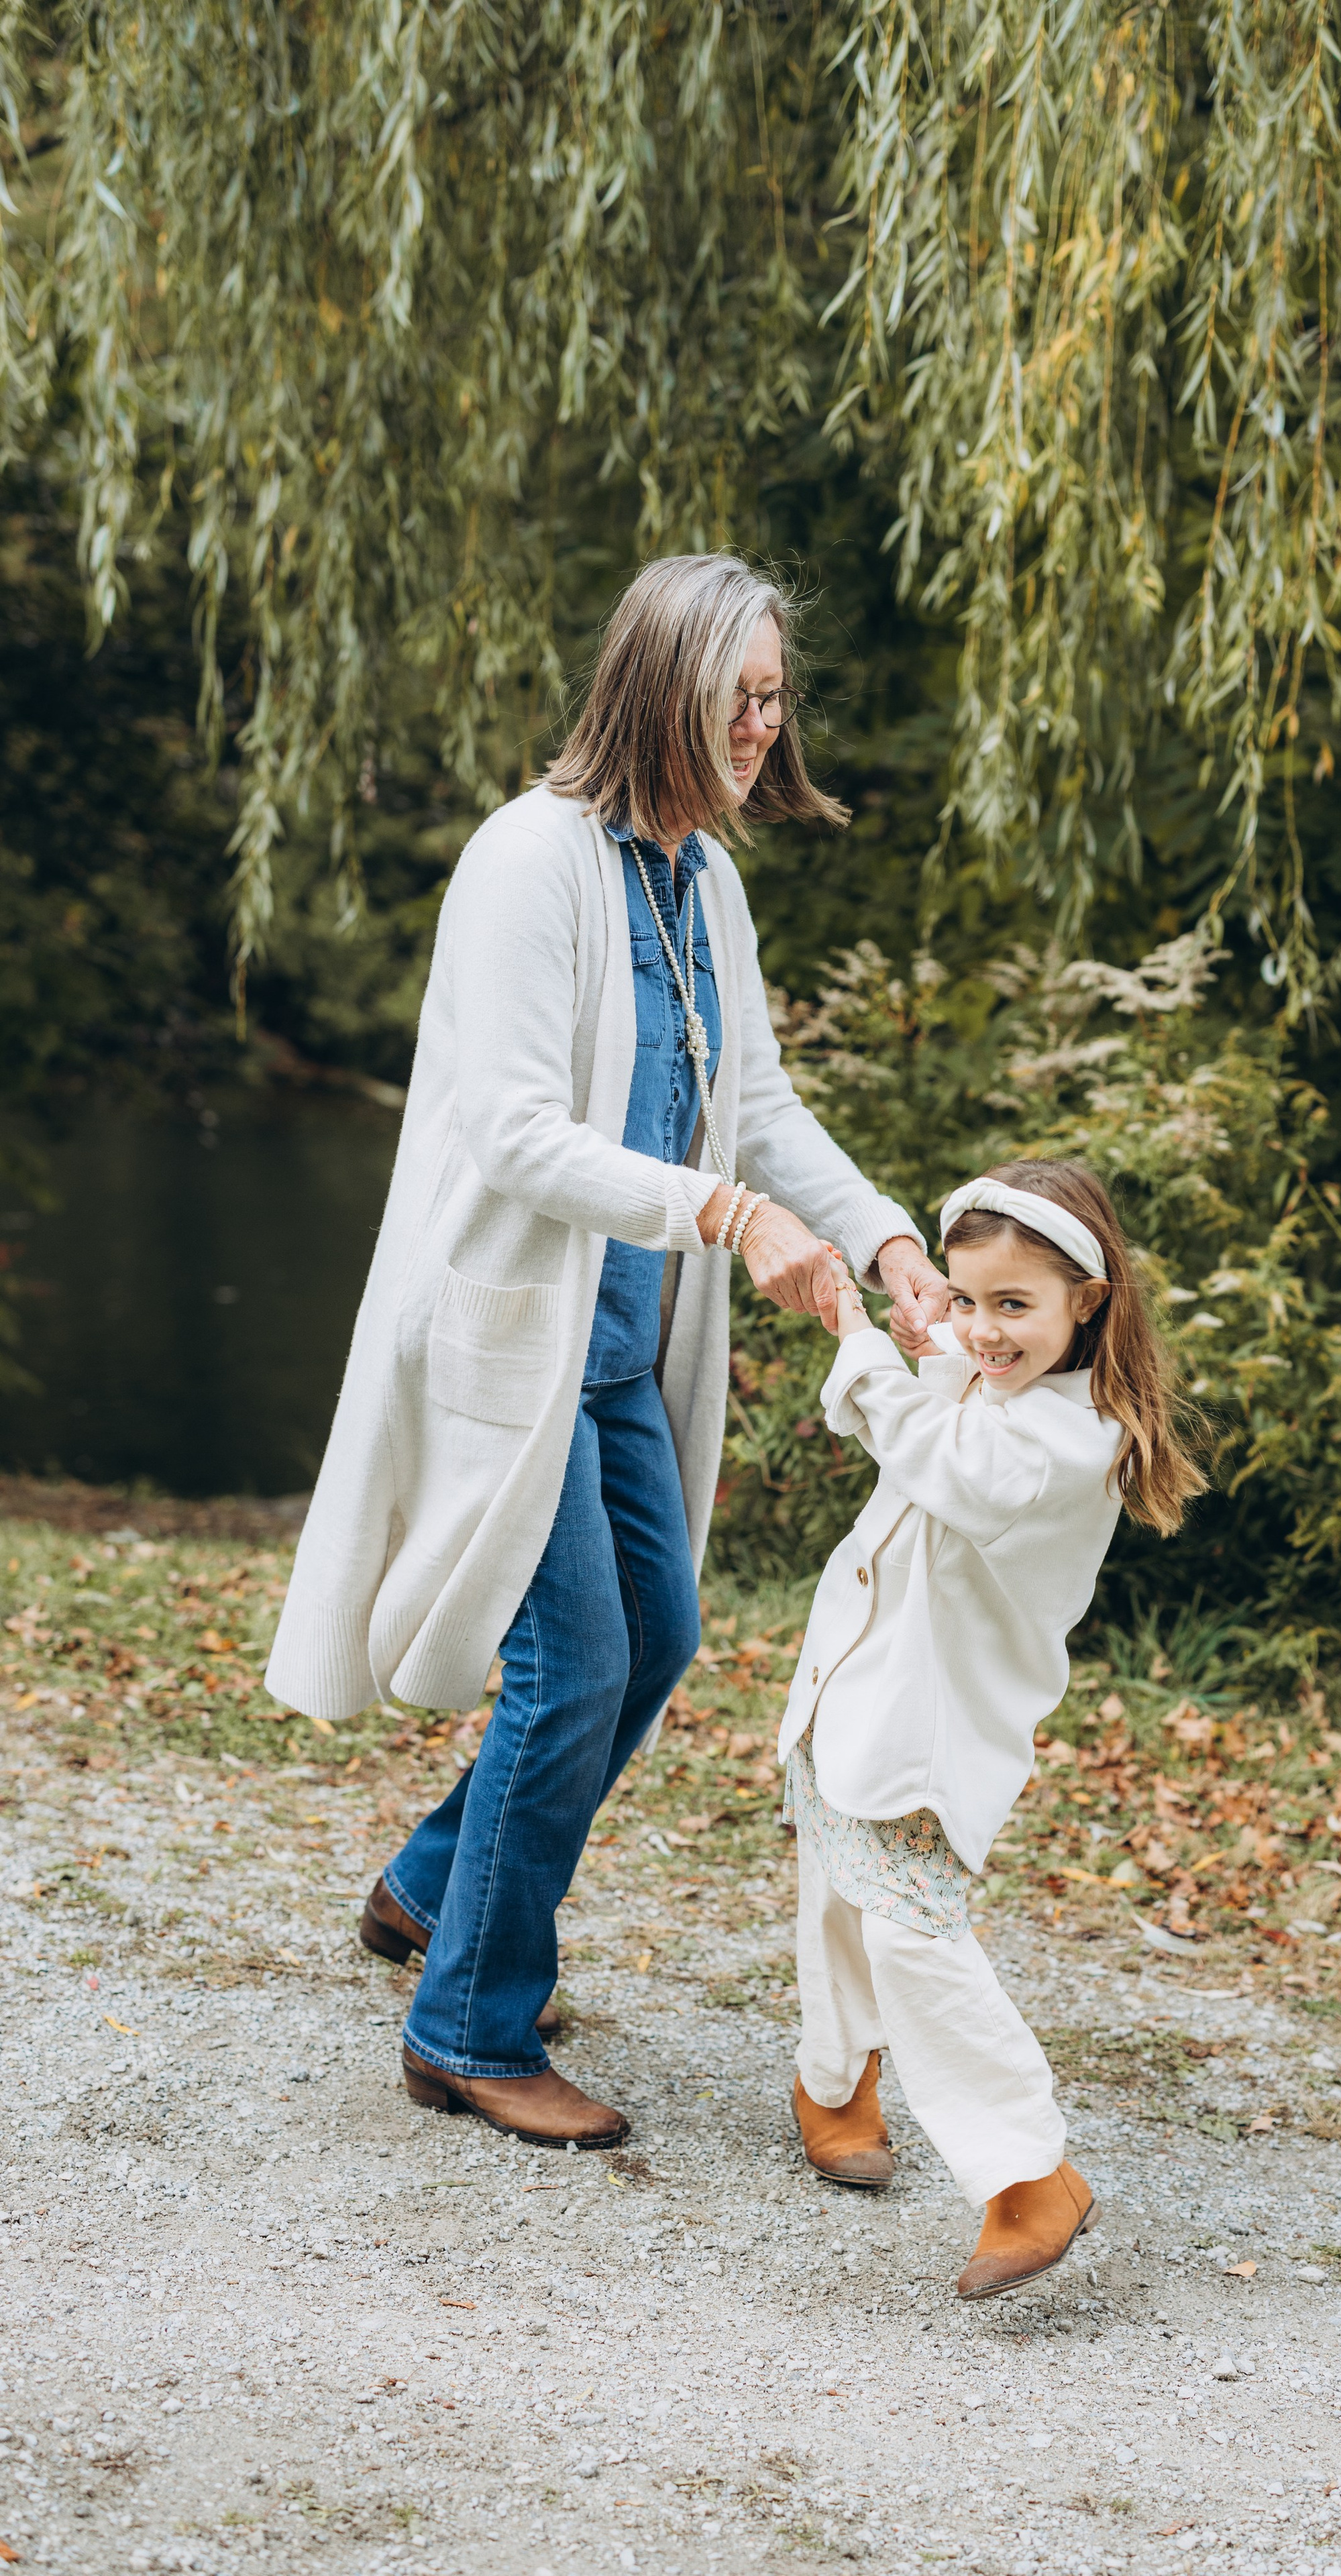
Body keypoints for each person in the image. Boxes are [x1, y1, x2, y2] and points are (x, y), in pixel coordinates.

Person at [264, 554, 948, 2145]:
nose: (766, 733)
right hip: (515, 1341)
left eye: (778, 701)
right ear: (661, 688)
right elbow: (509, 1133)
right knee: (570, 1662)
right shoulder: (531, 863)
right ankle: (467, 2028)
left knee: (658, 1637)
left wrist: (886, 1240)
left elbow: (760, 1111)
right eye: (742, 701)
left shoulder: (704, 879)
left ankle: (435, 1885)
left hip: (627, 1347)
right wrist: (722, 1219)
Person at [778, 1161, 1203, 2297]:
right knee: (833, 1888)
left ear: (1090, 1302)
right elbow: (883, 1406)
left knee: (913, 1931)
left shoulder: (1078, 1434)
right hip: (849, 1683)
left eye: (1013, 1305)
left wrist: (860, 1338)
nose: (983, 1330)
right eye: (968, 1300)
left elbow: (944, 1465)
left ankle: (1029, 2176)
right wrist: (902, 1326)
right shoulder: (986, 1378)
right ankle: (833, 2081)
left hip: (934, 1727)